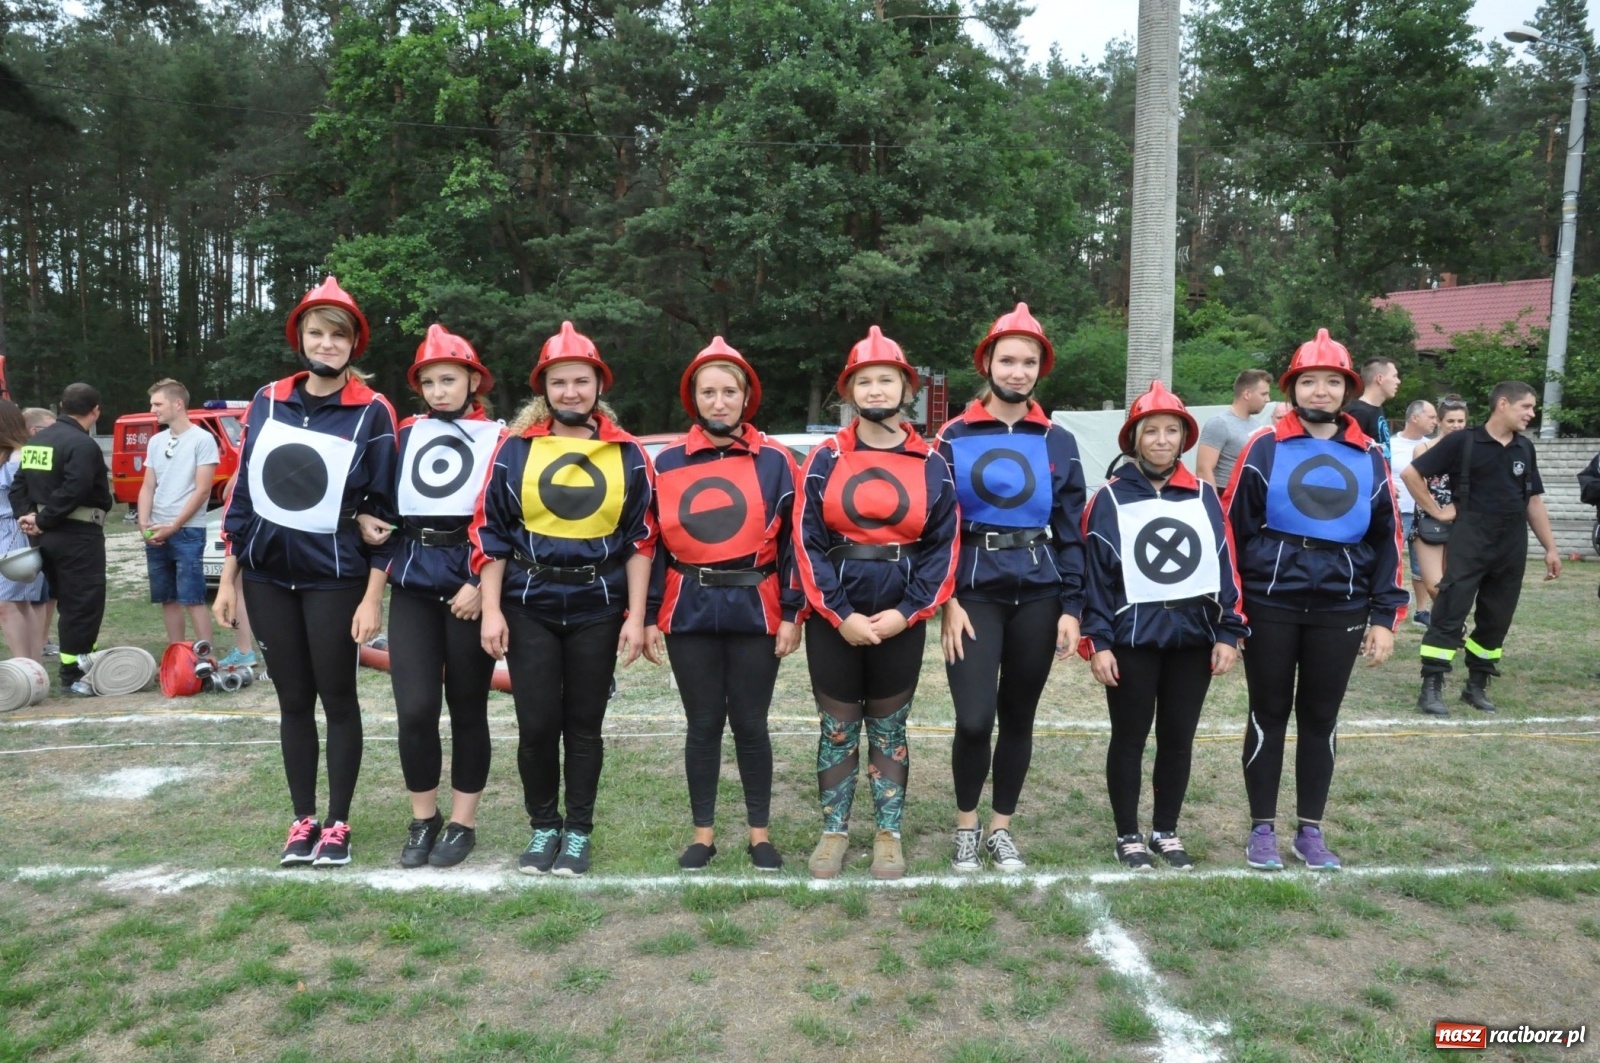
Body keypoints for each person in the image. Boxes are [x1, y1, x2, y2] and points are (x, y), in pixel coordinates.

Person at [215, 276, 398, 867]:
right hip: (269, 574)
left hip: (335, 576)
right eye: (316, 333)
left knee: (338, 697)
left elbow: (385, 509)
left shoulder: (374, 410)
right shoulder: (267, 398)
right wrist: (228, 578)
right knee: (293, 698)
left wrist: (373, 597)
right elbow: (243, 494)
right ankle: (302, 820)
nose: (325, 344)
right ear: (300, 337)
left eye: (337, 336)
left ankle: (339, 823)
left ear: (353, 345)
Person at [472, 322, 655, 878]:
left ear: (599, 385)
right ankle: (542, 826)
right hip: (529, 604)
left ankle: (577, 831)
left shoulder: (626, 454)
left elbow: (642, 538)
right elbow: (491, 531)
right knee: (535, 724)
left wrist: (637, 618)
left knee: (583, 725)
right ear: (543, 389)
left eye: (581, 380)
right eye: (559, 382)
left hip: (599, 607)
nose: (571, 391)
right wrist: (493, 609)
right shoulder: (515, 451)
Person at [1226, 329, 1406, 871]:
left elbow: (1386, 538)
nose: (1321, 391)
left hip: (1342, 607)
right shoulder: (1265, 445)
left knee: (1321, 717)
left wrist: (1384, 616)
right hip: (1271, 603)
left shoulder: (1370, 453)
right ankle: (1261, 828)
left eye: (1332, 382)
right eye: (1310, 381)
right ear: (1293, 388)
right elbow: (1234, 528)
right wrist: (1234, 611)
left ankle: (1310, 830)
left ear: (1348, 389)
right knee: (1268, 712)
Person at [794, 326, 959, 881]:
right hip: (834, 619)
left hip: (899, 616)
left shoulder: (933, 461)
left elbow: (943, 545)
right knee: (837, 727)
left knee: (890, 728)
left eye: (886, 379)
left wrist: (907, 612)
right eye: (864, 381)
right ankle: (834, 832)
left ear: (904, 388)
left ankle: (889, 834)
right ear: (850, 391)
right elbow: (807, 539)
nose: (876, 389)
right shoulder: (824, 457)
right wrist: (839, 615)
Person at [643, 338, 803, 872]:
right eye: (708, 392)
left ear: (745, 397)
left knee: (751, 724)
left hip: (755, 609)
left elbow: (793, 544)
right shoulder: (664, 462)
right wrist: (645, 616)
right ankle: (703, 835)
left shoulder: (776, 460)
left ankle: (759, 834)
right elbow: (650, 543)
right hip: (688, 608)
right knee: (703, 723)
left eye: (728, 391)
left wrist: (791, 612)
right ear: (694, 398)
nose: (719, 402)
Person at [936, 304, 1085, 872]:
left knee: (1018, 715)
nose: (1017, 371)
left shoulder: (1058, 439)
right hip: (973, 591)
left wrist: (1072, 606)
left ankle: (1001, 827)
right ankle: (967, 826)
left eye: (1028, 362)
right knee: (974, 718)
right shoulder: (951, 436)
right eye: (1007, 360)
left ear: (1039, 369)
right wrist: (946, 598)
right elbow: (936, 526)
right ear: (988, 363)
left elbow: (1073, 531)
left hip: (1039, 591)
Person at [1083, 381, 1247, 870]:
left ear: (1184, 437)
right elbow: (1096, 578)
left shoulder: (1203, 497)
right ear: (1134, 439)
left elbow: (1225, 566)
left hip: (1193, 640)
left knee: (1179, 738)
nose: (1160, 439)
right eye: (1149, 430)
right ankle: (1128, 834)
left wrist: (1228, 631)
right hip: (1132, 640)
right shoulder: (1108, 500)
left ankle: (1166, 831)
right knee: (1129, 738)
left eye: (1170, 430)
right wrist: (1099, 642)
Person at [360, 325, 502, 868]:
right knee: (414, 709)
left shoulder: (500, 438)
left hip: (469, 583)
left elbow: (505, 519)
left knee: (469, 708)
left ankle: (463, 822)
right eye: (429, 381)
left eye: (450, 379)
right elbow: (382, 506)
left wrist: (478, 582)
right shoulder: (404, 433)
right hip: (414, 583)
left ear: (473, 380)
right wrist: (365, 519)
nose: (439, 390)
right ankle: (424, 817)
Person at [1403, 381, 1561, 716]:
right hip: (1471, 538)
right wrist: (1436, 511)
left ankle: (1476, 685)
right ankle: (1431, 686)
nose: (1532, 414)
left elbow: (1533, 500)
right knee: (1450, 609)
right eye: (1527, 407)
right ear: (1503, 404)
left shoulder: (1524, 448)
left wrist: (1550, 547)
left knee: (1497, 616)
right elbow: (1411, 473)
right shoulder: (1464, 441)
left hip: (1512, 541)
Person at [10, 383, 113, 695]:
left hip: (46, 539)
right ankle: (75, 673)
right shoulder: (82, 445)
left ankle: (78, 664)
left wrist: (29, 517)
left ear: (61, 405)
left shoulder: (37, 441)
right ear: (95, 411)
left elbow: (18, 486)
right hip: (77, 536)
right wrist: (42, 519)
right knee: (82, 603)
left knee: (66, 601)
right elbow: (76, 488)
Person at [138, 379, 218, 650]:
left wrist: (175, 525)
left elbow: (203, 490)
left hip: (187, 530)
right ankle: (178, 655)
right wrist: (143, 523)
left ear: (178, 404)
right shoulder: (156, 441)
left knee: (192, 598)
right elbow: (148, 485)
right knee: (167, 598)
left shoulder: (203, 439)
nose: (152, 410)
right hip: (156, 527)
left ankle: (205, 657)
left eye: (157, 404)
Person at [0, 401, 48, 662]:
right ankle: (32, 665)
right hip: (6, 532)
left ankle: (25, 667)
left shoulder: (19, 457)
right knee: (19, 603)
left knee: (8, 604)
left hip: (16, 531)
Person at [1410, 396, 1468, 608]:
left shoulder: (1471, 449)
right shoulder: (1424, 449)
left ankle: (1447, 627)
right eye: (1451, 421)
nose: (1456, 426)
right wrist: (1437, 511)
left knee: (1452, 580)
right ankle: (1444, 620)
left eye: (1460, 421)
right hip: (1429, 516)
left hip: (1461, 518)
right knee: (1434, 584)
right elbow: (1417, 484)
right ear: (1440, 422)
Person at [1389, 399, 1438, 626]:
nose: (1435, 421)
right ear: (1414, 418)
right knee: (1392, 561)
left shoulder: (1432, 446)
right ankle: (1388, 606)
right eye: (1431, 416)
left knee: (1422, 566)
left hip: (1423, 514)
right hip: (1397, 513)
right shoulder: (1390, 444)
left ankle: (1422, 611)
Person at [20, 408, 58, 656]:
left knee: (49, 590)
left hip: (46, 529)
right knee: (32, 594)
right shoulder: (27, 455)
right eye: (53, 428)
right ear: (34, 431)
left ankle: (43, 640)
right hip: (26, 530)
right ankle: (36, 643)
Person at [1196, 369, 1272, 490]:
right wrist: (1214, 506)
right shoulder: (1219, 423)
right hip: (1224, 495)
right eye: (1263, 394)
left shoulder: (1256, 426)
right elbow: (1203, 470)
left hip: (1247, 498)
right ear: (1247, 394)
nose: (1268, 399)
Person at [1345, 356, 1400, 463]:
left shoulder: (1377, 408)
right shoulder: (1359, 413)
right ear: (1380, 379)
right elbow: (1350, 456)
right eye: (1394, 376)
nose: (1398, 381)